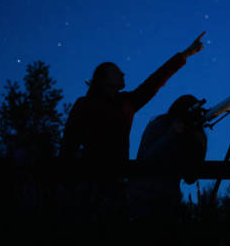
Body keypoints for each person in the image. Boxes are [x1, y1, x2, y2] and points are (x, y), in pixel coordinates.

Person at [59, 32, 205, 164]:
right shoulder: (85, 105)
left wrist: (187, 53)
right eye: (116, 72)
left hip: (116, 177)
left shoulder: (127, 102)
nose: (122, 74)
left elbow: (156, 79)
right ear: (103, 79)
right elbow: (69, 142)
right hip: (89, 176)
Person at [129, 94, 208, 222]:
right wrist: (170, 134)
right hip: (143, 198)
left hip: (168, 201)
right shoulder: (159, 125)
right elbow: (146, 159)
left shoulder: (192, 134)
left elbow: (190, 177)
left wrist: (200, 146)